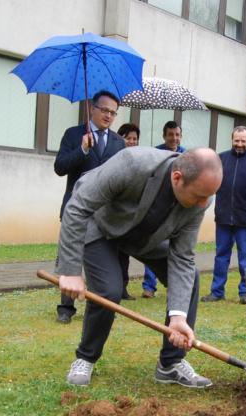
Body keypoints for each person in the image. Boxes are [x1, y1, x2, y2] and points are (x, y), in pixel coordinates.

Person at [57, 147, 223, 388]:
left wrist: (178, 316)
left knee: (191, 278)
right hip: (101, 228)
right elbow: (77, 207)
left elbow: (182, 258)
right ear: (177, 178)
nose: (204, 204)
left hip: (145, 238)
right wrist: (71, 271)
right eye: (199, 196)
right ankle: (86, 358)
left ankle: (170, 364)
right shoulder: (132, 164)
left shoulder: (202, 198)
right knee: (108, 291)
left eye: (209, 197)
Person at [53, 90, 126, 323]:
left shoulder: (118, 142)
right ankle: (66, 308)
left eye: (113, 113)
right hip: (76, 208)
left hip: (104, 213)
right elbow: (60, 167)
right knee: (70, 257)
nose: (108, 116)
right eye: (104, 110)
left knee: (102, 259)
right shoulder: (74, 134)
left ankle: (99, 305)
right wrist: (82, 149)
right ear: (92, 109)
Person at [201, 126, 246, 304]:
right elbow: (211, 181)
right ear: (231, 139)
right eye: (236, 140)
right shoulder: (220, 159)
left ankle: (245, 293)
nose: (239, 144)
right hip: (223, 217)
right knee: (221, 256)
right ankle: (217, 291)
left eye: (243, 141)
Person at [142, 120, 186, 298]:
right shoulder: (155, 153)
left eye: (177, 135)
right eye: (170, 135)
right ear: (164, 136)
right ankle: (149, 287)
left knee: (176, 249)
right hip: (157, 207)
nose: (174, 138)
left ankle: (173, 286)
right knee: (153, 247)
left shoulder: (186, 156)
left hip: (177, 209)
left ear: (181, 136)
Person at [114, 122, 143, 300]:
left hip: (129, 214)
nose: (132, 142)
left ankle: (123, 288)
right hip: (113, 212)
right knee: (112, 254)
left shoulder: (140, 160)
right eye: (128, 138)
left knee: (124, 255)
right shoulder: (114, 157)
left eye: (135, 139)